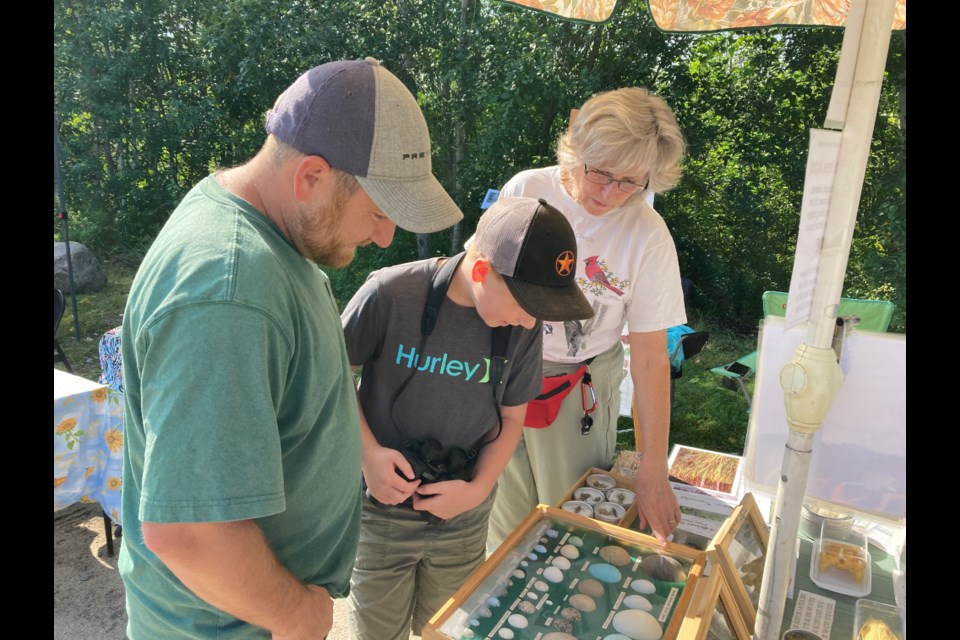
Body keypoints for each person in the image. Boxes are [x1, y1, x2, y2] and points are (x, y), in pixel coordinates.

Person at [119, 57, 463, 639]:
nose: (385, 237)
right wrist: (296, 614)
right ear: (312, 176)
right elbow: (189, 530)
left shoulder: (275, 238)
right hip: (231, 625)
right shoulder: (227, 292)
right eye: (380, 212)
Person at [340, 196, 593, 640]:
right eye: (525, 304)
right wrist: (369, 455)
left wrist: (477, 491)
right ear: (481, 272)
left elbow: (512, 420)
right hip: (380, 511)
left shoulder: (522, 327)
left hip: (464, 516)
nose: (532, 321)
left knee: (451, 628)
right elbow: (332, 379)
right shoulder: (390, 292)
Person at [485, 87, 688, 550]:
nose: (610, 193)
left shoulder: (648, 235)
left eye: (630, 182)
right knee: (503, 524)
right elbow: (482, 282)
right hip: (506, 368)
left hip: (579, 384)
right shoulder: (527, 191)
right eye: (599, 173)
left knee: (573, 519)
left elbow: (653, 360)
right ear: (575, 151)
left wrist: (652, 467)